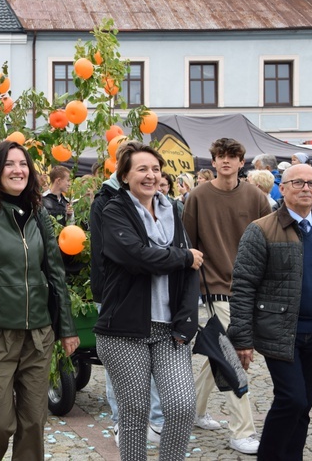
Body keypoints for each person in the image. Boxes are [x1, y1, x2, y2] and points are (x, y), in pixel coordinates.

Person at [228, 163, 312, 460]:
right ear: (284, 187)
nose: (306, 188)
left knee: (303, 407)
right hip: (280, 333)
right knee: (292, 399)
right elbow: (243, 286)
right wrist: (241, 338)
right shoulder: (261, 230)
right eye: (298, 183)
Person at [0, 141, 79, 460]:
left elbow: (55, 273)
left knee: (34, 422)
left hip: (38, 335)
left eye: (23, 164)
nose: (18, 170)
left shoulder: (37, 213)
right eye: (9, 164)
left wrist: (66, 328)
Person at [95, 141, 201, 460]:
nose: (151, 175)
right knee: (135, 413)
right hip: (124, 330)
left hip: (170, 329)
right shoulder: (114, 210)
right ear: (125, 176)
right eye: (142, 169)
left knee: (182, 407)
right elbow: (136, 257)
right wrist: (182, 256)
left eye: (155, 169)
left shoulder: (173, 210)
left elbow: (193, 270)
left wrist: (187, 319)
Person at [182, 138, 271, 455]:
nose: (225, 162)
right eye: (220, 156)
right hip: (215, 287)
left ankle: (192, 408)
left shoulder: (256, 197)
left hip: (250, 289)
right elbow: (187, 244)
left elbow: (268, 241)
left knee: (215, 354)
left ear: (241, 161)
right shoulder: (197, 196)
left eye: (231, 157)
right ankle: (242, 430)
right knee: (232, 355)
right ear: (213, 161)